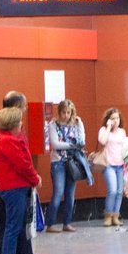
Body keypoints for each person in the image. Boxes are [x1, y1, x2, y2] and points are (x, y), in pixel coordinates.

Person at [0, 91, 48, 254]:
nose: (26, 111)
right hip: (12, 184)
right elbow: (21, 163)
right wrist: (35, 178)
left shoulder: (2, 131)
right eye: (24, 106)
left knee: (14, 224)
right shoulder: (4, 134)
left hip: (6, 183)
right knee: (10, 226)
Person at [46, 99, 85, 232]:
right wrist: (72, 145)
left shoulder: (77, 123)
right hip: (58, 162)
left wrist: (80, 125)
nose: (66, 115)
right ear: (59, 112)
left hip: (72, 161)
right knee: (58, 192)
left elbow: (82, 140)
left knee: (70, 193)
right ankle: (50, 223)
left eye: (69, 112)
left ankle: (67, 222)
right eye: (63, 112)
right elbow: (55, 144)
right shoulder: (53, 124)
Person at [97, 108, 128, 227]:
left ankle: (116, 215)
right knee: (112, 190)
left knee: (120, 192)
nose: (116, 120)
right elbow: (102, 141)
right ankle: (108, 215)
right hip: (109, 164)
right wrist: (109, 127)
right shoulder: (104, 130)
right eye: (113, 118)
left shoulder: (122, 132)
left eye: (117, 118)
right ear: (108, 120)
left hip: (120, 165)